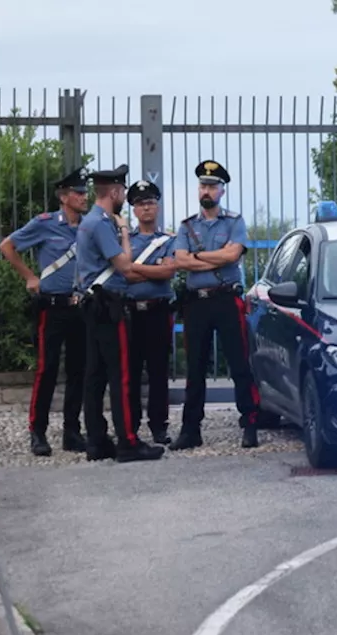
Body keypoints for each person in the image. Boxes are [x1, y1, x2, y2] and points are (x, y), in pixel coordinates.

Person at [75, 165, 166, 463]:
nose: (124, 195)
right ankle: (127, 441)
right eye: (123, 191)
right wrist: (126, 231)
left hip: (94, 304)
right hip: (109, 305)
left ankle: (97, 441)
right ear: (114, 192)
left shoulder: (90, 221)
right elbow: (125, 266)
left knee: (95, 375)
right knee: (121, 375)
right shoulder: (101, 224)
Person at [0, 165, 91, 456]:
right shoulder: (46, 223)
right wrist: (29, 276)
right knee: (47, 369)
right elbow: (7, 246)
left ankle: (72, 431)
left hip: (80, 307)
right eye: (78, 192)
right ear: (64, 197)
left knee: (79, 371)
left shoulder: (89, 226)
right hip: (51, 307)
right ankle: (37, 431)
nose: (84, 197)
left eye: (85, 192)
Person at [170, 160, 261, 451]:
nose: (206, 190)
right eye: (203, 185)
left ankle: (249, 423)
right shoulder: (187, 226)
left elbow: (232, 256)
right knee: (194, 367)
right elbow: (179, 261)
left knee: (239, 363)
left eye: (212, 185)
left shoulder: (234, 222)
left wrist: (197, 259)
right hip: (197, 303)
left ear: (222, 190)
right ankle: (190, 430)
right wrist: (214, 256)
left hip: (226, 299)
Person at [121, 179, 179, 445]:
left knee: (158, 372)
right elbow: (122, 273)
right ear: (133, 209)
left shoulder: (168, 240)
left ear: (157, 207)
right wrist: (151, 270)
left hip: (158, 311)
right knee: (129, 372)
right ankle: (130, 425)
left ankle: (159, 426)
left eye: (150, 203)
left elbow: (168, 272)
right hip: (130, 312)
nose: (146, 208)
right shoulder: (126, 241)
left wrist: (136, 269)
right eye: (141, 204)